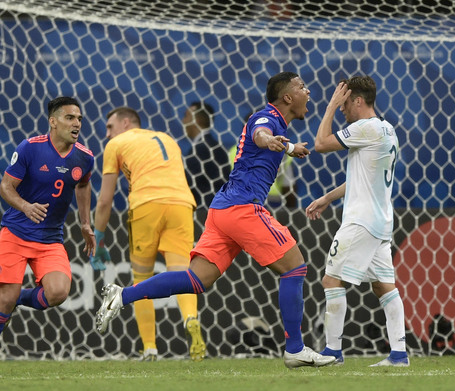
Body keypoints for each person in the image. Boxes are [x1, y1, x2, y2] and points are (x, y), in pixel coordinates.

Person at [96, 72, 337, 369]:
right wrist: (274, 142)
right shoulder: (267, 118)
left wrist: (287, 147)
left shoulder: (275, 122)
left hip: (222, 209)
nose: (308, 91)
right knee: (295, 267)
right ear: (287, 97)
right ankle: (295, 349)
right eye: (302, 87)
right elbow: (260, 134)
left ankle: (122, 295)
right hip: (242, 208)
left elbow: (264, 139)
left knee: (196, 279)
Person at [0, 96, 96, 371]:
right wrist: (26, 207)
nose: (76, 124)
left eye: (79, 119)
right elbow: (5, 187)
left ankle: (15, 300)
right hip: (15, 233)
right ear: (53, 121)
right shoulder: (30, 148)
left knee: (59, 292)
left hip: (50, 239)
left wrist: (85, 222)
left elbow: (83, 185)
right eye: (69, 118)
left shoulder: (85, 157)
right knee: (5, 299)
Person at [305, 76, 409, 367]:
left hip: (361, 221)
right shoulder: (386, 129)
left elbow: (321, 143)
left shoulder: (365, 127)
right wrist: (328, 197)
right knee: (384, 286)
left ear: (358, 101)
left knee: (331, 279)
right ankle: (399, 355)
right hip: (380, 221)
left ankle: (332, 352)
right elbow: (361, 178)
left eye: (345, 102)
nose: (342, 109)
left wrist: (328, 106)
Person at [92, 106, 206, 361]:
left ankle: (150, 348)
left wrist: (98, 238)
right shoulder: (167, 138)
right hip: (182, 205)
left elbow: (104, 201)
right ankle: (190, 320)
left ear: (125, 123)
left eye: (110, 127)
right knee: (182, 274)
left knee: (141, 278)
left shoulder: (117, 143)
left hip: (146, 205)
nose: (107, 134)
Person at [228, 111, 298, 208]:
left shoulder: (233, 152)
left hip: (252, 203)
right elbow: (289, 188)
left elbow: (289, 188)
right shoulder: (280, 152)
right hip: (268, 204)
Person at [182, 102, 231, 208]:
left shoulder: (202, 148)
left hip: (206, 211)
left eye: (186, 116)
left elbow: (188, 182)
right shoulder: (212, 145)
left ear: (196, 120)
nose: (183, 121)